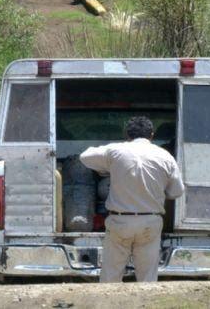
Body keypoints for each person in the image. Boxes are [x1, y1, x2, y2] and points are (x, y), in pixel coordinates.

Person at [79, 116, 184, 283]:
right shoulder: (165, 156)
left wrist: (108, 166)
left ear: (127, 134)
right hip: (150, 222)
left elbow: (85, 157)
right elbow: (177, 191)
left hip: (120, 221)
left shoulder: (115, 151)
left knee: (111, 276)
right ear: (152, 135)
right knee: (147, 278)